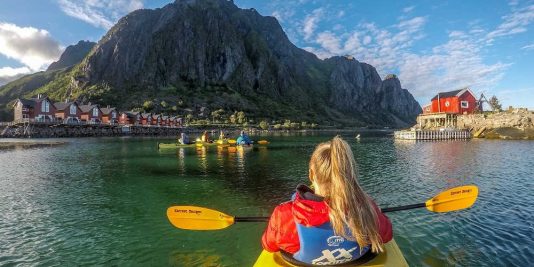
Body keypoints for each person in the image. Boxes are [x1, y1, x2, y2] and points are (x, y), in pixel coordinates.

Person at [261, 136, 392, 266]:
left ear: (311, 174)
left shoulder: (283, 216)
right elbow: (387, 235)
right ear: (349, 174)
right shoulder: (367, 209)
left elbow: (268, 245)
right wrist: (376, 211)